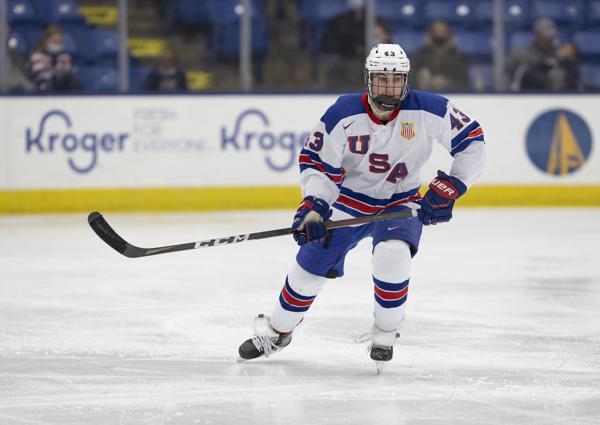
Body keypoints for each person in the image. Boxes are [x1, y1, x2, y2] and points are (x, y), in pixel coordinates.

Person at [238, 43, 486, 372]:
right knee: (307, 271)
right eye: (381, 79)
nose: (389, 87)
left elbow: (473, 140)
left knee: (393, 256)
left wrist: (453, 185)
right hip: (348, 201)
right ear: (368, 80)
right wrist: (314, 207)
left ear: (406, 81)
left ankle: (384, 333)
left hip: (401, 200)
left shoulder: (430, 108)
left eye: (395, 80)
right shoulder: (343, 112)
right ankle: (279, 331)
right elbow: (317, 164)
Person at [505, 18, 563, 91]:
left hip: (553, 96)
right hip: (526, 94)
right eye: (545, 36)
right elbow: (506, 74)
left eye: (551, 36)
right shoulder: (522, 53)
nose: (549, 39)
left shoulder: (560, 53)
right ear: (537, 35)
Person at [411, 20, 470, 91]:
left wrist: (446, 82)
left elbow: (464, 81)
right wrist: (420, 78)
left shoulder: (458, 56)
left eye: (442, 31)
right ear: (431, 33)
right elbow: (411, 77)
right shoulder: (421, 54)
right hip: (425, 93)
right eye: (436, 30)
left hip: (452, 94)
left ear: (448, 33)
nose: (439, 33)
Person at [28, 26, 80, 92]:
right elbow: (41, 78)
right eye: (55, 41)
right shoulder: (36, 57)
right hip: (41, 93)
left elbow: (67, 74)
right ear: (46, 40)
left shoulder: (65, 57)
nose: (57, 44)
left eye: (60, 42)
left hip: (62, 91)